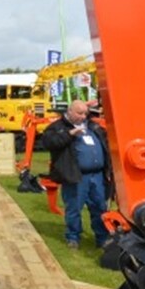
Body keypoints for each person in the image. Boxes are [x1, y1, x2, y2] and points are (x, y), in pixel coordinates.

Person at [40, 99, 112, 250]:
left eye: (85, 113)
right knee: (74, 208)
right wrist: (69, 134)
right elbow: (49, 143)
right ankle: (73, 237)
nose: (83, 116)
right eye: (79, 113)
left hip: (97, 175)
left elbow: (106, 142)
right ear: (70, 111)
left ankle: (102, 238)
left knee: (99, 207)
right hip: (76, 175)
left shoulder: (92, 126)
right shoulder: (57, 127)